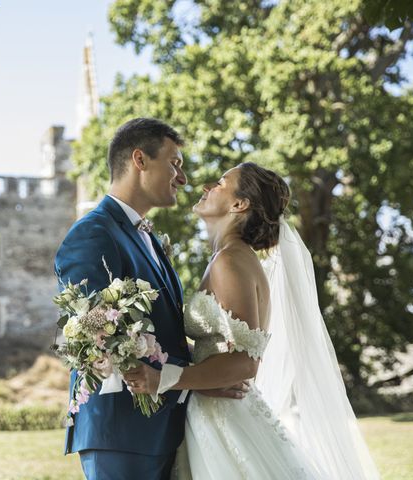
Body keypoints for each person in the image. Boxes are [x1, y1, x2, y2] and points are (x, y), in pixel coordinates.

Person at [124, 162, 380, 479]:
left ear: (239, 204)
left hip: (225, 420)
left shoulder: (230, 260)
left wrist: (164, 379)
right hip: (212, 412)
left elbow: (246, 363)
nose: (206, 187)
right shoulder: (228, 257)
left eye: (219, 182)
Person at [54, 118, 245, 480]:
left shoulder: (151, 239)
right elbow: (102, 337)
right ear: (140, 160)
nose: (183, 178)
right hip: (120, 431)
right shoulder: (92, 234)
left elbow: (161, 332)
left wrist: (201, 376)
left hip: (163, 427)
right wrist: (198, 377)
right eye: (175, 164)